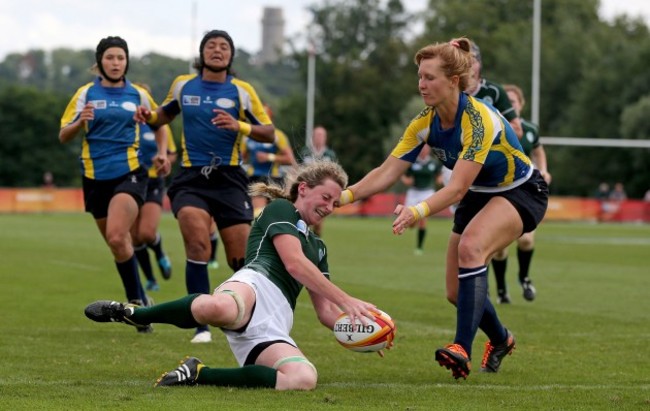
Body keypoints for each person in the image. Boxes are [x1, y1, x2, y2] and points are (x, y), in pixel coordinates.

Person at [338, 38, 548, 379]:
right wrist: (343, 197)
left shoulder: (478, 120)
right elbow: (387, 171)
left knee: (471, 248)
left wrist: (416, 211)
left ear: (453, 80)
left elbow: (457, 188)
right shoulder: (424, 121)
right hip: (480, 194)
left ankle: (460, 348)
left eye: (430, 77)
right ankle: (500, 338)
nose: (421, 84)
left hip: (521, 190)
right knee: (455, 291)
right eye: (419, 76)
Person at [84, 160, 383, 390]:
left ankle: (198, 373)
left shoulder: (319, 247)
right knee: (217, 307)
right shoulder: (281, 210)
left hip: (276, 321)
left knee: (303, 378)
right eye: (326, 197)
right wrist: (348, 299)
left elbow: (326, 311)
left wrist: (366, 332)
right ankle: (138, 314)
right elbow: (293, 263)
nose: (330, 207)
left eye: (335, 203)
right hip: (252, 286)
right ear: (303, 188)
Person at [133, 30, 275, 343]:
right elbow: (162, 117)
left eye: (224, 47)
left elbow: (269, 132)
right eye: (211, 46)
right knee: (198, 245)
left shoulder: (242, 91)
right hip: (191, 178)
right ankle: (201, 325)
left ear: (231, 56)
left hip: (230, 179)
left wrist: (239, 125)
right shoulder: (184, 85)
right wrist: (148, 115)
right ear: (202, 53)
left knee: (240, 259)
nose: (217, 50)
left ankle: (247, 321)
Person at [59, 36, 171, 333]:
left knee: (117, 235)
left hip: (130, 173)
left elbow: (160, 123)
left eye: (121, 57)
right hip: (94, 177)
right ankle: (139, 296)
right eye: (110, 57)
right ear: (100, 62)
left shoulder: (138, 94)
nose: (116, 62)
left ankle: (135, 303)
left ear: (126, 61)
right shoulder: (85, 93)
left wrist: (161, 153)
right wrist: (79, 122)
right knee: (117, 244)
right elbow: (63, 135)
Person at [489, 84, 552, 304]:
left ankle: (524, 278)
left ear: (521, 105)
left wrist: (544, 170)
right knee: (499, 248)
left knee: (526, 240)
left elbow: (538, 151)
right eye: (507, 102)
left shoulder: (529, 129)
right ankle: (501, 290)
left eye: (513, 102)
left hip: (524, 190)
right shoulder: (492, 127)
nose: (510, 105)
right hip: (498, 189)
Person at [130, 83, 178, 291]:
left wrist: (163, 159)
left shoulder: (160, 124)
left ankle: (159, 252)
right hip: (130, 179)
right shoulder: (128, 124)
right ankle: (150, 278)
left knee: (147, 233)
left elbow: (172, 152)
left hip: (152, 181)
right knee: (134, 237)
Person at [242, 104, 297, 216]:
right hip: (255, 177)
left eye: (263, 117)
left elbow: (290, 159)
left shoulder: (278, 135)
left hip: (274, 178)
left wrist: (269, 157)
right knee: (258, 213)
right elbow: (241, 158)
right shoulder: (247, 136)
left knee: (275, 216)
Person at [466, 42, 523, 139]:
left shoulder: (494, 91)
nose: (469, 68)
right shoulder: (447, 93)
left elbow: (518, 131)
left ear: (480, 64)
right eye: (463, 63)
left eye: (472, 62)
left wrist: (487, 128)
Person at [399, 144, 442, 255]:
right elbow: (406, 177)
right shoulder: (413, 163)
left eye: (426, 149)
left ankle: (419, 247)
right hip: (414, 192)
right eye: (422, 149)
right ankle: (415, 219)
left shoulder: (433, 163)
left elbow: (439, 179)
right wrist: (403, 178)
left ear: (428, 150)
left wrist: (445, 179)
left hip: (427, 193)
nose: (424, 151)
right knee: (411, 223)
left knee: (423, 220)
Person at [298, 126, 338, 236]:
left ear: (325, 138)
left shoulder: (330, 155)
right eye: (317, 135)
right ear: (313, 137)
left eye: (322, 136)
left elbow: (334, 174)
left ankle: (316, 244)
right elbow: (298, 170)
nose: (319, 138)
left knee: (318, 223)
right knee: (304, 220)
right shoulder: (305, 152)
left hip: (323, 193)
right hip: (307, 191)